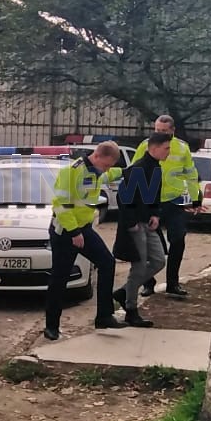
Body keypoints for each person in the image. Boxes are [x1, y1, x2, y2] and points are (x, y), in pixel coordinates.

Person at [44, 141, 125, 340]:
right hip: (65, 232)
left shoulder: (97, 172)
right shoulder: (72, 172)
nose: (106, 170)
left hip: (84, 229)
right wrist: (74, 232)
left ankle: (104, 316)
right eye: (106, 165)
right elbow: (60, 205)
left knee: (107, 262)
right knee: (60, 278)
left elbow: (110, 175)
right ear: (97, 156)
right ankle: (51, 327)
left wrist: (127, 171)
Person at [135, 115, 202, 297]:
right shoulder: (145, 145)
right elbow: (134, 171)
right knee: (149, 244)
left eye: (164, 131)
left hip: (174, 201)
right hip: (151, 201)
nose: (160, 133)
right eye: (157, 130)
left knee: (178, 240)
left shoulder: (182, 148)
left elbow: (191, 174)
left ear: (173, 130)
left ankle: (173, 283)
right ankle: (148, 283)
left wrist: (196, 198)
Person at [111, 132, 172, 327]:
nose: (168, 152)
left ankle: (124, 291)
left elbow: (154, 196)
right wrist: (131, 223)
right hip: (136, 225)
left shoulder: (156, 168)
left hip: (148, 222)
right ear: (154, 148)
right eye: (166, 148)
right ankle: (131, 310)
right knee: (138, 265)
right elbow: (123, 197)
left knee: (158, 260)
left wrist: (155, 214)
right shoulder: (137, 169)